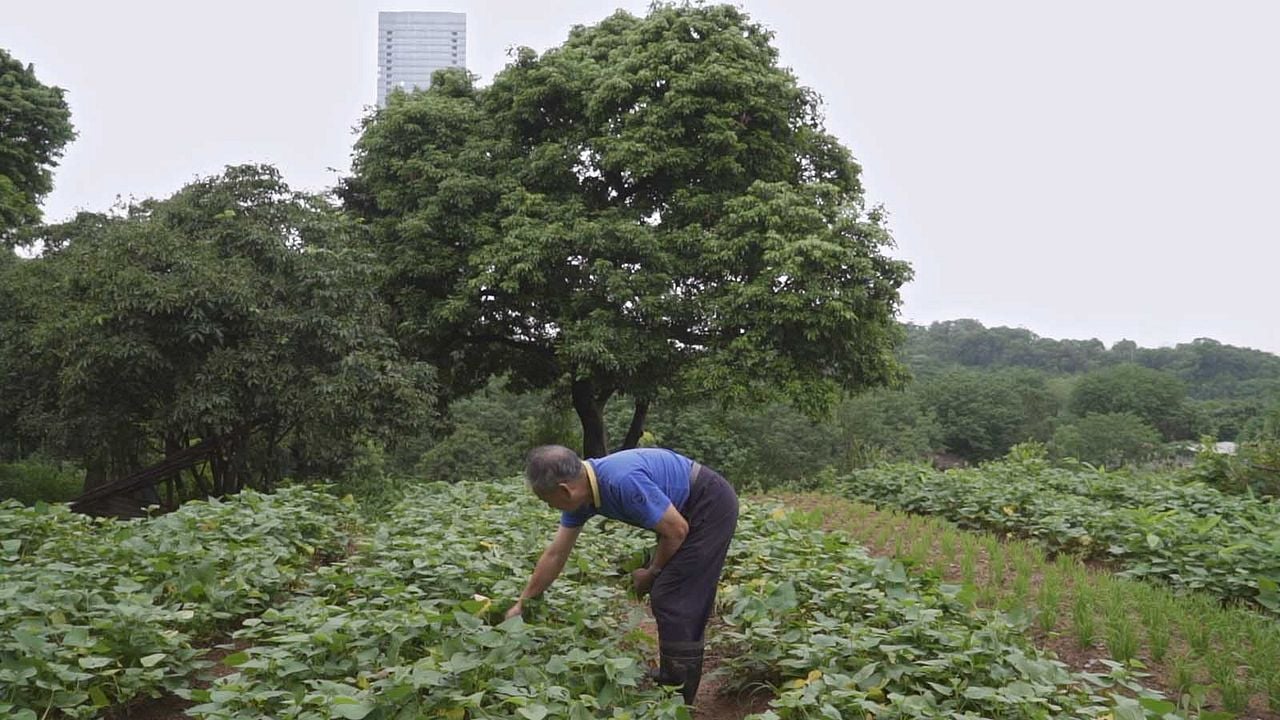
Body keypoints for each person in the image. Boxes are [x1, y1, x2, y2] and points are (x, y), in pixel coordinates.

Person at [507, 445, 739, 707]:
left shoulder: (620, 481)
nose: (551, 507)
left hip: (709, 504)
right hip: (682, 513)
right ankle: (672, 677)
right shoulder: (582, 495)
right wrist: (522, 602)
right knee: (670, 591)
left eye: (548, 501)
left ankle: (677, 696)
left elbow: (676, 531)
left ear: (564, 490)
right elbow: (555, 555)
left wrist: (651, 573)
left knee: (672, 596)